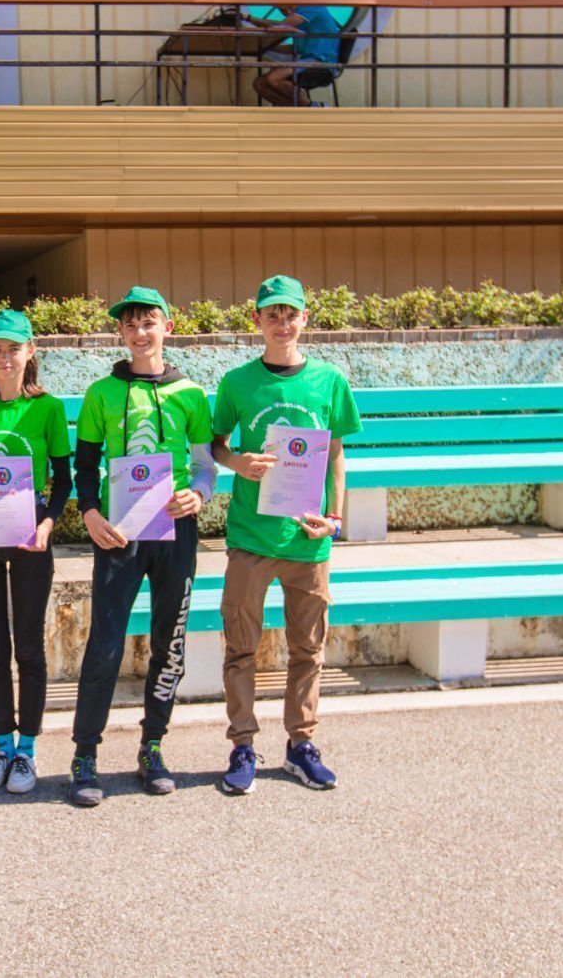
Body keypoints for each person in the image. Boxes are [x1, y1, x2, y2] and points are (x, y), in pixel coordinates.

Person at [209, 275, 362, 796]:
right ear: (257, 320)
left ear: (304, 319)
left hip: (307, 539)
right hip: (251, 538)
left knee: (308, 649)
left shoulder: (328, 380)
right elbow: (215, 444)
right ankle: (242, 746)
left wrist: (335, 518)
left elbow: (336, 453)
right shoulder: (237, 382)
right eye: (272, 314)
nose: (282, 323)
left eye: (290, 313)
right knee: (241, 649)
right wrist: (237, 462)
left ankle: (301, 744)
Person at [68, 287, 216, 807]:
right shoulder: (101, 393)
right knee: (105, 644)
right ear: (121, 333)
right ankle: (85, 754)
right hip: (120, 533)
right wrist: (91, 513)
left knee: (168, 641)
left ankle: (153, 745)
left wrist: (199, 495)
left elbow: (204, 465)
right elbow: (85, 466)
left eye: (148, 322)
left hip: (175, 532)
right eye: (130, 325)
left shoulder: (191, 394)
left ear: (166, 328)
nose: (139, 332)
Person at [0, 309, 72, 795]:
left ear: (30, 352)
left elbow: (63, 479)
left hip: (30, 538)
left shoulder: (47, 409)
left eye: (13, 348)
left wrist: (48, 524)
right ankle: (2, 747)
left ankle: (27, 751)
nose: (5, 357)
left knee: (28, 648)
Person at [245, 4, 345, 107]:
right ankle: (299, 109)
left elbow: (280, 26)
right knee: (260, 83)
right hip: (307, 61)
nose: (287, 12)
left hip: (322, 62)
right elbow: (290, 45)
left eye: (287, 8)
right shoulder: (302, 23)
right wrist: (266, 46)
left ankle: (312, 105)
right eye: (282, 11)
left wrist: (248, 19)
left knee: (274, 78)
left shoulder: (311, 7)